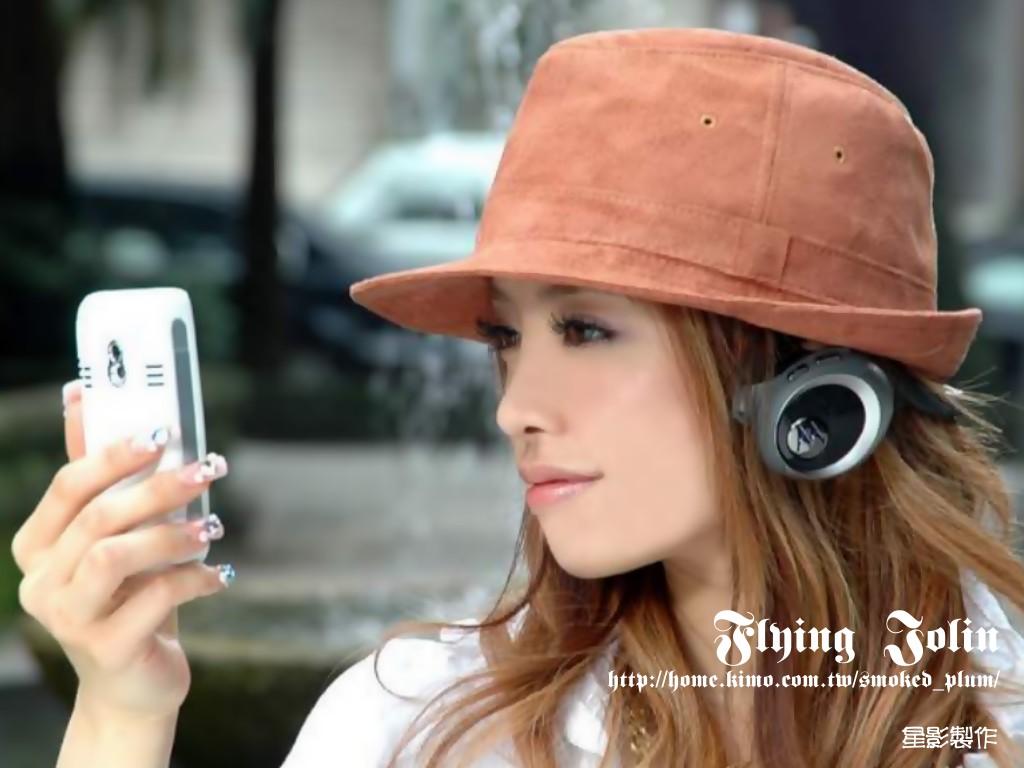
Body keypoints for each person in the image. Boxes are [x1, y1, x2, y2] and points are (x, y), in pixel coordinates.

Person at [12, 25, 1024, 768]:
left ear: (817, 403)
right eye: (506, 337)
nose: (512, 409)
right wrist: (121, 712)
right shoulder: (414, 724)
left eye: (584, 330)